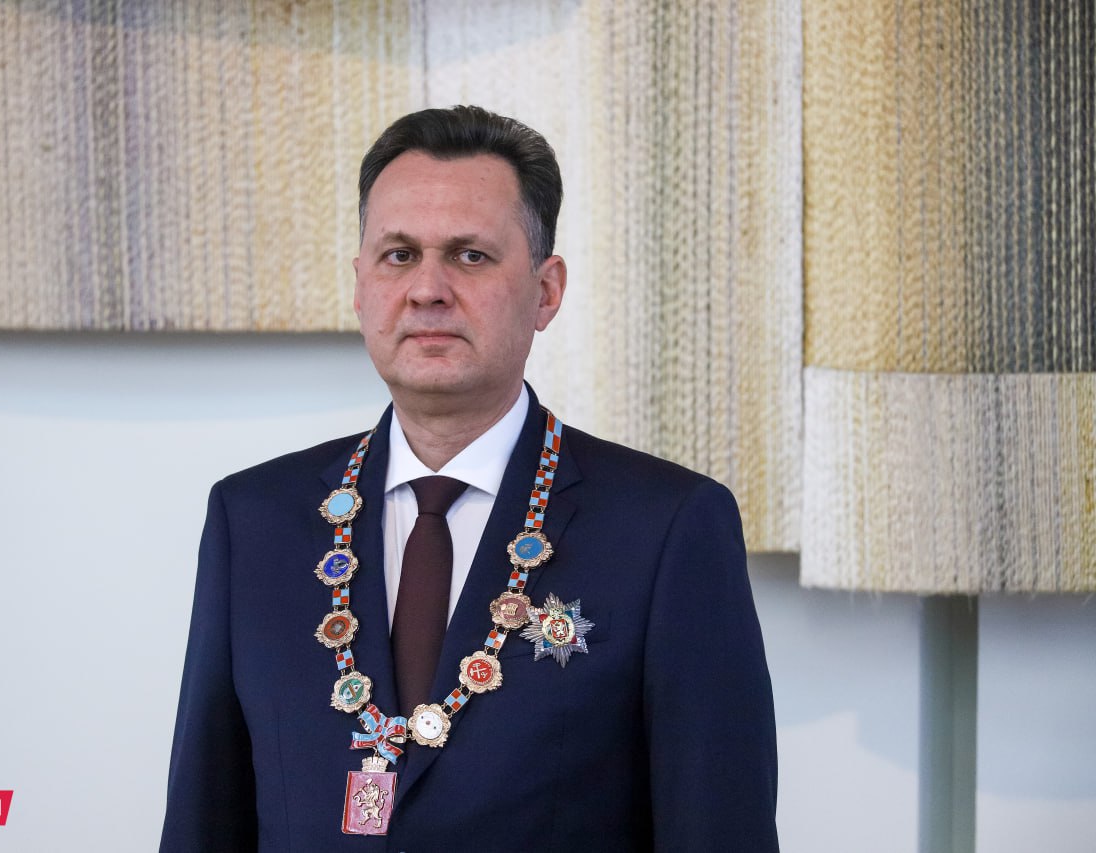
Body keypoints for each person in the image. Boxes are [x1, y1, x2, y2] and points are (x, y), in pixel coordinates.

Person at [160, 105, 779, 851]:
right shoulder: (254, 520)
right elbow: (202, 821)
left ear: (546, 291)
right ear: (360, 285)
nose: (428, 288)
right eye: (398, 255)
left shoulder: (667, 528)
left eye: (470, 256)